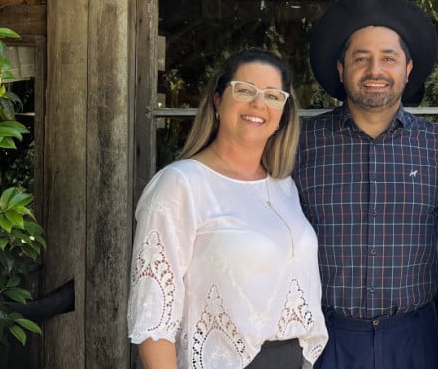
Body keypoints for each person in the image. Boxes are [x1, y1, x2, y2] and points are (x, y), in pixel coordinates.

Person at [127, 49, 328, 369]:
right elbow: (154, 318)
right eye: (245, 90)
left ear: (283, 113)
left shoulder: (283, 186)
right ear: (218, 100)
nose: (259, 105)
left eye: (273, 96)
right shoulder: (180, 184)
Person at [294, 0, 438, 369]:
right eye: (360, 58)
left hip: (414, 335)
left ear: (407, 69)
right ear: (341, 70)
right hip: (322, 336)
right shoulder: (300, 145)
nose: (375, 71)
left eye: (388, 58)